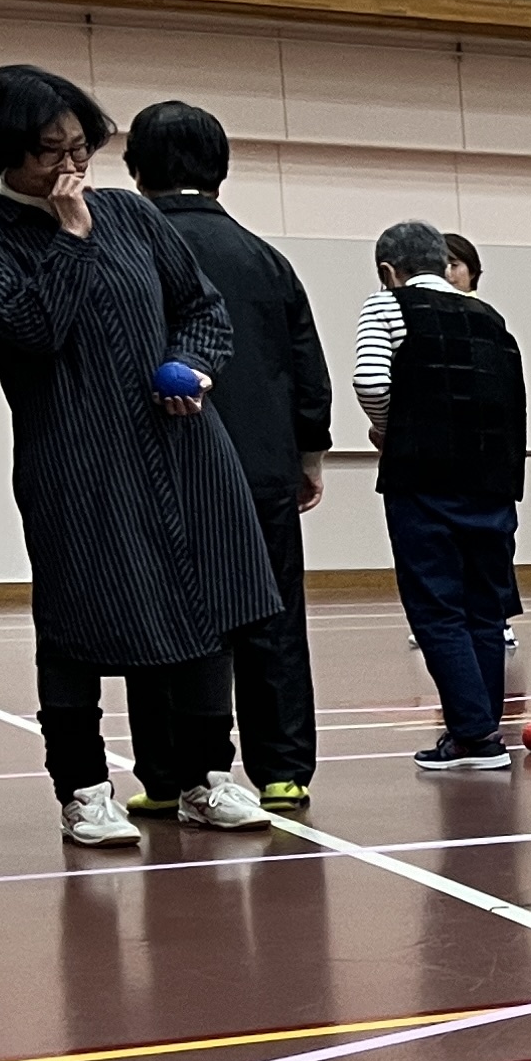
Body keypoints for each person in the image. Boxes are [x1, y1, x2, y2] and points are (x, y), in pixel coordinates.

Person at [0, 64, 278, 843]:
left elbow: (202, 308)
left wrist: (192, 365)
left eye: (80, 148)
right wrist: (70, 238)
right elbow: (35, 330)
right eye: (49, 152)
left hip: (184, 444)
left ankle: (207, 777)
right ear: (4, 153)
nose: (70, 166)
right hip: (78, 460)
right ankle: (83, 788)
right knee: (77, 618)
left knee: (207, 601)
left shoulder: (132, 212)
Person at [127, 102, 334, 807]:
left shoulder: (130, 250)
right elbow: (305, 364)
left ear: (136, 168)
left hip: (163, 467)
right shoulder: (265, 259)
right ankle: (282, 769)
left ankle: (170, 776)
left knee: (166, 619)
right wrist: (308, 454)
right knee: (272, 619)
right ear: (221, 168)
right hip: (261, 468)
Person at [361, 220, 529, 770]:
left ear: (389, 271)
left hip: (422, 479)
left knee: (437, 609)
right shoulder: (490, 317)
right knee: (486, 610)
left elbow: (370, 380)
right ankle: (485, 732)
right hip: (493, 485)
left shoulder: (387, 306)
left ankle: (471, 736)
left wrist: (390, 430)